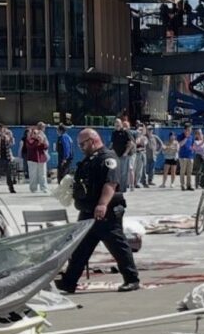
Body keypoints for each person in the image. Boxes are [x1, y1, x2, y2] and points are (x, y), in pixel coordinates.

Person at [55, 128, 140, 294]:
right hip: (88, 211)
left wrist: (102, 204)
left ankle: (131, 279)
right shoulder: (90, 159)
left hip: (106, 211)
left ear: (92, 141)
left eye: (82, 144)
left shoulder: (108, 158)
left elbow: (111, 183)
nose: (81, 148)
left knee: (117, 245)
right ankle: (69, 282)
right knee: (81, 247)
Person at [24, 125, 49, 193]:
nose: (36, 134)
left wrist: (42, 141)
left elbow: (46, 147)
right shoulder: (29, 140)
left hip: (41, 159)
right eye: (34, 133)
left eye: (37, 133)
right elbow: (31, 146)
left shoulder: (41, 139)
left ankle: (44, 188)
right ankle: (33, 188)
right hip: (32, 159)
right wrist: (38, 141)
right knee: (33, 175)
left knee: (43, 174)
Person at [110, 120, 133, 193]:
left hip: (123, 155)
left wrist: (126, 153)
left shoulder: (125, 132)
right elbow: (112, 144)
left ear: (121, 124)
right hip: (116, 155)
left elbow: (131, 143)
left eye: (118, 124)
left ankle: (122, 189)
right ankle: (117, 188)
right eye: (115, 124)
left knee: (123, 172)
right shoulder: (114, 133)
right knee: (116, 172)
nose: (117, 125)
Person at [177, 125, 195, 191]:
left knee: (189, 172)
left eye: (190, 130)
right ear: (185, 130)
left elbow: (193, 145)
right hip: (183, 157)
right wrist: (186, 138)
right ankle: (183, 185)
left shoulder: (191, 137)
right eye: (189, 130)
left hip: (190, 156)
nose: (190, 131)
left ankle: (189, 185)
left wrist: (193, 149)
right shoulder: (180, 136)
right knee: (183, 171)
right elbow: (180, 144)